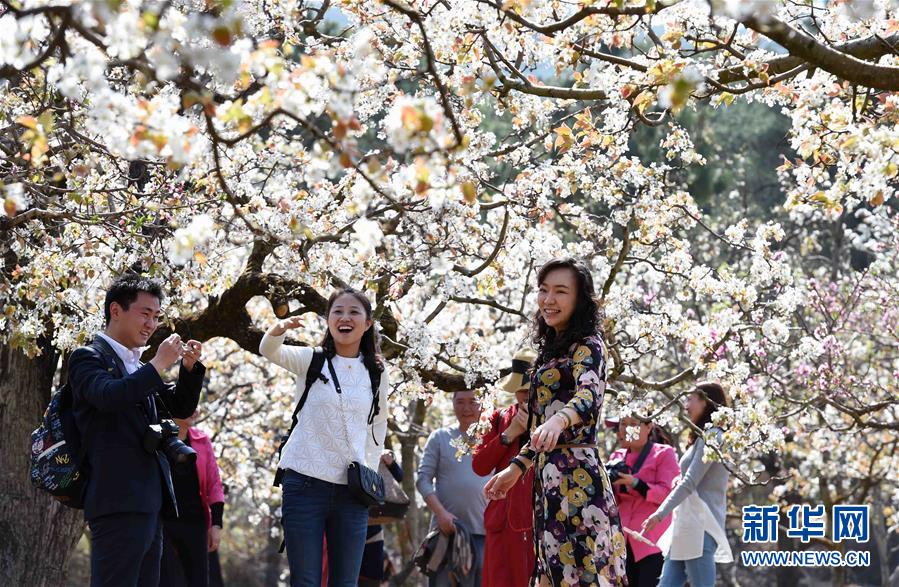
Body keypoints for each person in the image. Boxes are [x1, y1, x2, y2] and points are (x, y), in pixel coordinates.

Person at [483, 257, 628, 586]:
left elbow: (589, 394)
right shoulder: (547, 354)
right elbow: (538, 424)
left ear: (580, 299)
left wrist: (560, 420)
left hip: (578, 481)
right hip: (544, 485)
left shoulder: (589, 345)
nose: (549, 299)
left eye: (561, 291)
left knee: (587, 573)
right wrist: (516, 469)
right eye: (544, 290)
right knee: (552, 573)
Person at [69, 274, 205, 587]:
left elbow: (180, 408)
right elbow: (108, 397)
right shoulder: (88, 358)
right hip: (116, 498)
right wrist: (157, 366)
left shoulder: (138, 366)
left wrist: (187, 369)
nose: (151, 324)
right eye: (144, 313)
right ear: (115, 310)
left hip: (150, 500)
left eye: (157, 317)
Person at [260, 288, 389, 587]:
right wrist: (279, 328)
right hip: (304, 484)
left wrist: (368, 468)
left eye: (354, 312)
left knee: (345, 582)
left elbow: (378, 424)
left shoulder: (377, 371)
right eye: (337, 311)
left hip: (352, 491)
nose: (345, 318)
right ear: (329, 320)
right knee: (305, 581)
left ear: (368, 323)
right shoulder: (311, 360)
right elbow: (269, 350)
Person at [642, 382, 733, 587]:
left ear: (706, 403)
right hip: (686, 523)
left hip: (700, 525)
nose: (685, 404)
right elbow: (691, 479)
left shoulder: (713, 437)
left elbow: (690, 482)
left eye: (690, 399)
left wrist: (659, 514)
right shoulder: (702, 437)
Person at [471, 349, 536, 587]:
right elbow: (479, 465)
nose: (523, 396)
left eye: (528, 391)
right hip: (503, 521)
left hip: (540, 518)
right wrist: (509, 434)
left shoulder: (557, 420)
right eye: (519, 390)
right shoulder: (498, 418)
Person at [416, 390, 489, 587]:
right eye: (460, 402)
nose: (466, 408)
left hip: (485, 533)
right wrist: (441, 513)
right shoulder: (439, 437)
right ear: (453, 404)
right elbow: (422, 480)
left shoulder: (494, 439)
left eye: (472, 402)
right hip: (446, 533)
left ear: (483, 404)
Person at [605, 414, 679, 587]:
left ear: (648, 426)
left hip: (652, 541)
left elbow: (669, 494)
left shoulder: (663, 453)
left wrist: (635, 483)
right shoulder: (617, 456)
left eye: (634, 424)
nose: (625, 429)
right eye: (622, 424)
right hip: (621, 540)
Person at [160, 410, 225, 587]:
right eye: (187, 404)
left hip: (195, 522)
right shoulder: (158, 439)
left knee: (198, 581)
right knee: (165, 580)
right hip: (162, 523)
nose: (194, 410)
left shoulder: (202, 441)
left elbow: (214, 485)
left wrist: (216, 524)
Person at [358, 450, 404, 587]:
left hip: (373, 530)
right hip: (343, 528)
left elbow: (398, 477)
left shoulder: (375, 448)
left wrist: (391, 463)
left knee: (371, 579)